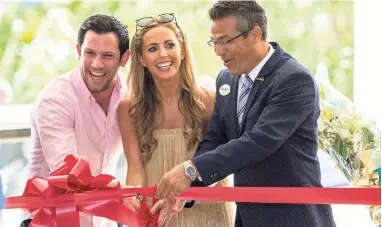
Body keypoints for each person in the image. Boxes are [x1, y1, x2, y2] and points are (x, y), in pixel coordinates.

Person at [155, 1, 336, 227]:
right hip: (247, 217)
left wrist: (191, 168)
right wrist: (186, 191)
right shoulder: (226, 78)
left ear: (255, 34)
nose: (219, 50)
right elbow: (216, 138)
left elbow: (259, 142)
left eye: (226, 41)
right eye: (215, 42)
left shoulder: (294, 79)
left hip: (294, 216)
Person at [117, 13, 233, 227]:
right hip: (158, 210)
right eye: (152, 49)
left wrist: (188, 193)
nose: (163, 54)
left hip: (207, 208)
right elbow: (135, 168)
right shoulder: (128, 108)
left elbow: (221, 161)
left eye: (169, 45)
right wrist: (137, 198)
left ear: (182, 50)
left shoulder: (209, 100)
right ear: (141, 59)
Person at [23, 14, 130, 227]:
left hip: (105, 220)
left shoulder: (128, 94)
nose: (97, 64)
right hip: (50, 221)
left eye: (107, 56)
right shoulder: (55, 98)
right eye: (90, 53)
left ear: (124, 58)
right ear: (79, 51)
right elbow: (70, 176)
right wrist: (123, 192)